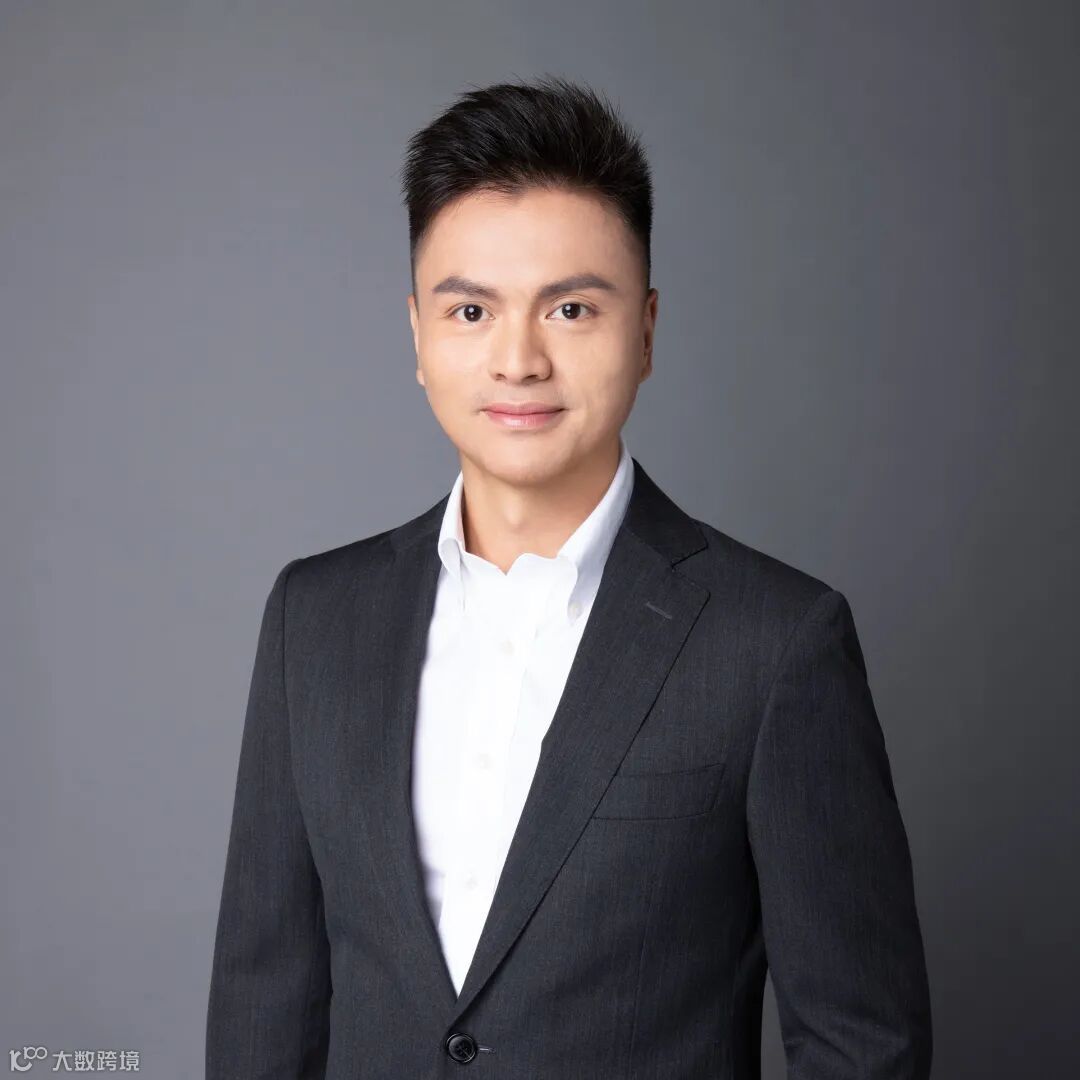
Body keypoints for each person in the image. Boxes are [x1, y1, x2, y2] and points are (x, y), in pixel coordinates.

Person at [206, 74, 932, 1079]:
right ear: (417, 333)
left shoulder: (776, 642)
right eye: (471, 310)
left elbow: (863, 1046)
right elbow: (262, 1008)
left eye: (572, 308)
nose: (518, 360)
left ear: (646, 330)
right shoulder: (315, 619)